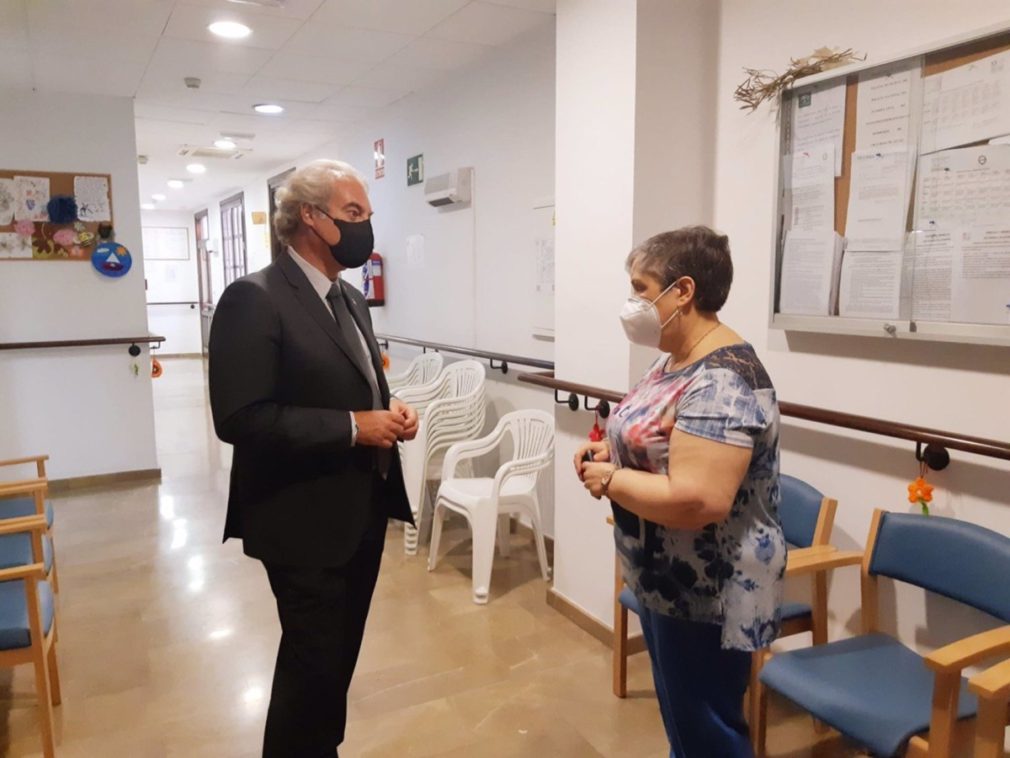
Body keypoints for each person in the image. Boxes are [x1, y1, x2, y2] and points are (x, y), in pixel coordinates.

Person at [209, 159, 418, 757]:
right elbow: (241, 418)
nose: (365, 229)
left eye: (368, 216)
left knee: (334, 662)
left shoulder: (350, 298)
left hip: (362, 512)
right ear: (310, 216)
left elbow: (356, 385)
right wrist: (355, 428)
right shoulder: (254, 298)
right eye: (354, 215)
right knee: (312, 663)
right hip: (301, 521)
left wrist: (389, 407)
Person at [575, 226, 784, 758]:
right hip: (664, 578)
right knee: (686, 726)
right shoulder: (674, 357)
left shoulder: (723, 379)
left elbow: (698, 500)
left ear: (683, 292)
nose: (632, 303)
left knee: (708, 730)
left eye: (641, 289)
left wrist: (613, 480)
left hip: (707, 589)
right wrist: (610, 455)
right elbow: (656, 439)